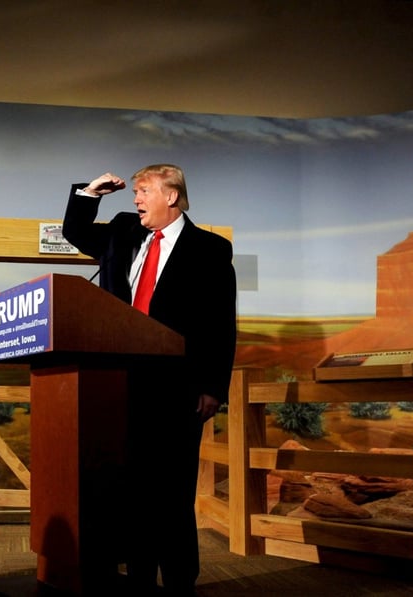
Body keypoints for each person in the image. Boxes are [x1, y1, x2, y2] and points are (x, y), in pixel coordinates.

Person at [61, 164, 237, 594]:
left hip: (176, 392)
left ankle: (180, 583)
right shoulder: (123, 231)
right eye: (135, 192)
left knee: (172, 493)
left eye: (143, 191)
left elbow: (220, 323)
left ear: (171, 196)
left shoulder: (210, 249)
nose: (135, 199)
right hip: (118, 386)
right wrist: (89, 193)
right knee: (131, 492)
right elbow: (75, 231)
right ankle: (139, 580)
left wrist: (213, 387)